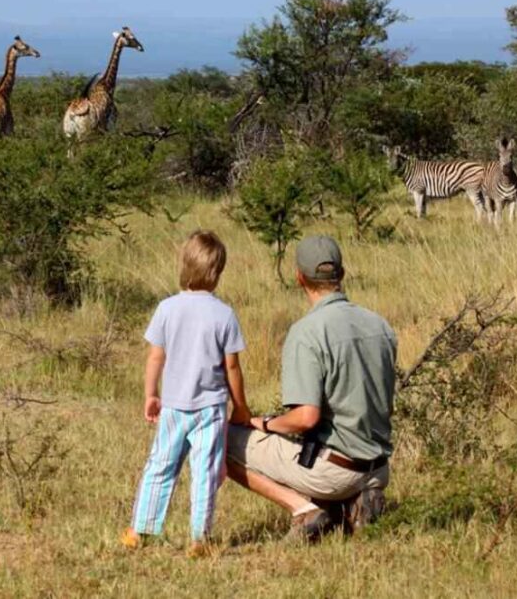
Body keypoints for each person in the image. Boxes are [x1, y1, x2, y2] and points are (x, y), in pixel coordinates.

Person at [226, 235, 397, 542]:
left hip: (335, 470)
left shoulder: (306, 332)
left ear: (299, 278)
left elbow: (306, 417)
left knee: (218, 441)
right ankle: (355, 500)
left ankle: (305, 509)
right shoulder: (380, 324)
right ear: (341, 274)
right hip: (379, 469)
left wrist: (265, 423)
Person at [121, 230, 251, 556]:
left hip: (174, 405)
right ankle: (198, 538)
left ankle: (140, 530)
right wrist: (241, 407)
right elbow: (232, 367)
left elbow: (155, 357)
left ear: (184, 264)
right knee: (205, 472)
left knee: (160, 466)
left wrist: (151, 394)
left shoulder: (167, 308)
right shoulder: (224, 314)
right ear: (217, 272)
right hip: (211, 408)